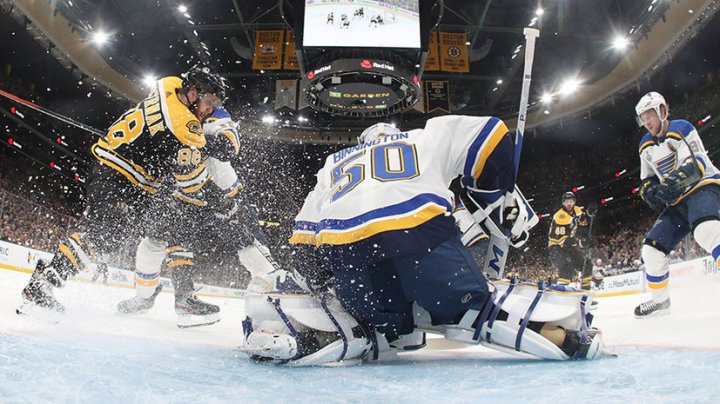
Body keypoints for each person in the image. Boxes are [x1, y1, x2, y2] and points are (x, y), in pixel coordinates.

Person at [240, 117, 607, 365]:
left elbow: (304, 237)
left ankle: (314, 338)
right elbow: (492, 134)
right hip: (419, 240)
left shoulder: (333, 163)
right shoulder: (425, 135)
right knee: (471, 313)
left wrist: (324, 286)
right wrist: (495, 194)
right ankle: (568, 339)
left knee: (371, 325)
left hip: (351, 255)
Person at [17, 65, 228, 316]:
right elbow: (192, 181)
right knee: (104, 231)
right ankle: (41, 286)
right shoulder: (185, 126)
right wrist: (219, 197)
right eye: (209, 101)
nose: (211, 109)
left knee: (171, 224)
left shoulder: (168, 85)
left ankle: (180, 296)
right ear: (192, 93)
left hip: (131, 176)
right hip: (118, 173)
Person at [116, 107, 295, 327]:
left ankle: (278, 303)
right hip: (185, 192)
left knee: (250, 246)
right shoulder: (171, 116)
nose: (207, 103)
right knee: (155, 240)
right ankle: (150, 298)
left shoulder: (215, 114)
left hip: (223, 194)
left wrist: (193, 143)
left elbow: (230, 146)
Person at [634, 91, 720, 317]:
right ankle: (660, 301)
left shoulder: (681, 128)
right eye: (642, 118)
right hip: (677, 202)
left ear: (663, 111)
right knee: (651, 250)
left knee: (706, 230)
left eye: (649, 115)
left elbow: (695, 164)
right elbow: (647, 180)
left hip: (703, 187)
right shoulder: (645, 145)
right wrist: (650, 192)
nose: (647, 122)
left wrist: (667, 186)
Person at [547, 191, 590, 287]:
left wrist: (590, 215)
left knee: (585, 264)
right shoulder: (559, 216)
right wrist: (579, 242)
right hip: (556, 246)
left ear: (574, 201)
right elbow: (562, 240)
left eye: (571, 201)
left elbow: (584, 222)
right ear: (563, 203)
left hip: (570, 244)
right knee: (566, 264)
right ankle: (562, 288)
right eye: (567, 201)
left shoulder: (578, 210)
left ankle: (586, 292)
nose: (569, 203)